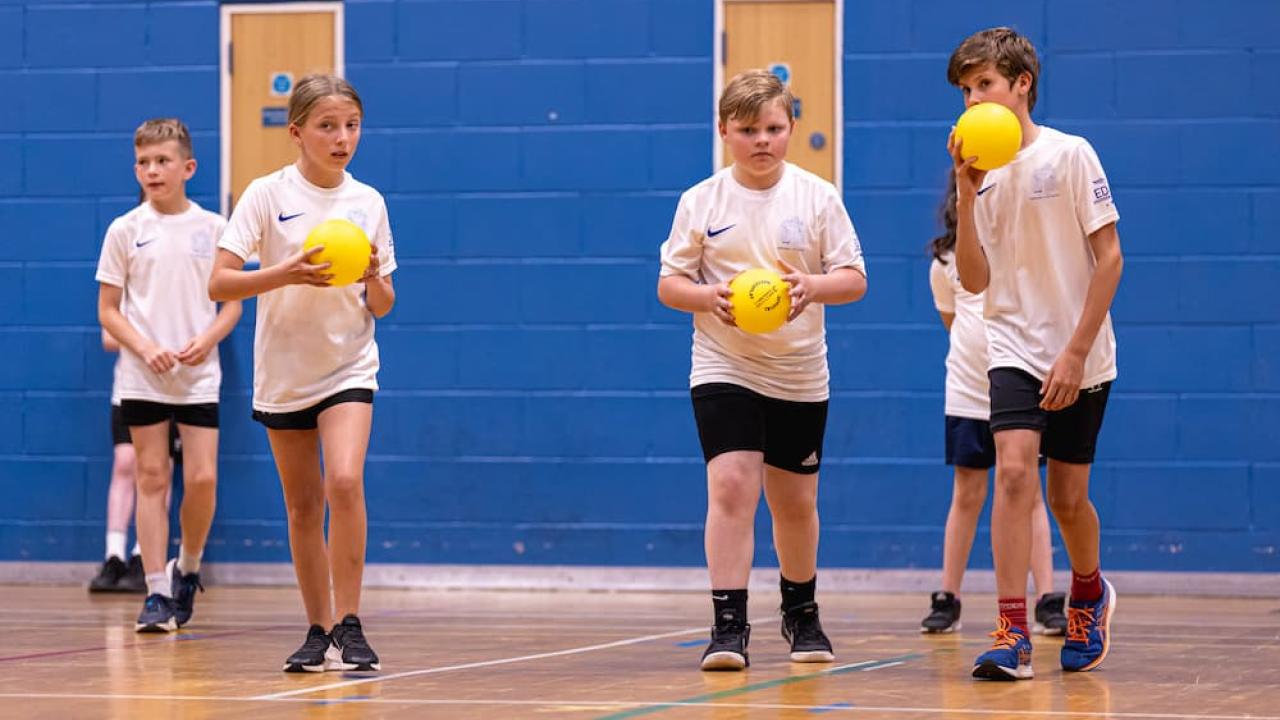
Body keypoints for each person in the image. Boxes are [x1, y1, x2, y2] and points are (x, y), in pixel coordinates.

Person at [657, 69, 867, 671]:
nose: (762, 141)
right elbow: (669, 284)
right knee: (730, 485)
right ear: (725, 131)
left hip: (798, 370)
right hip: (724, 363)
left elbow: (854, 279)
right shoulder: (701, 201)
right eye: (748, 130)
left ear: (791, 128)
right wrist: (708, 297)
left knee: (794, 502)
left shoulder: (818, 196)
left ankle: (802, 614)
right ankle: (728, 626)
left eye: (773, 128)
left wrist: (812, 286)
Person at [947, 27, 1123, 680]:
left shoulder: (1071, 154)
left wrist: (1075, 353)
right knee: (1015, 473)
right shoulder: (980, 174)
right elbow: (973, 281)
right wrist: (966, 193)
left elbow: (1111, 260)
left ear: (1021, 84)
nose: (973, 99)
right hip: (1012, 345)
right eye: (966, 90)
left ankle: (1088, 593)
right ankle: (1012, 631)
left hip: (1080, 349)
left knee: (1068, 498)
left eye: (984, 84)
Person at [209, 74, 396, 673]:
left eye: (352, 126)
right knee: (303, 507)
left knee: (344, 480)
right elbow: (220, 282)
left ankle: (351, 621)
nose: (343, 138)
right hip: (285, 372)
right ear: (296, 133)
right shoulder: (266, 195)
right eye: (328, 127)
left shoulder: (368, 202)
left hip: (349, 365)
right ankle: (318, 629)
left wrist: (373, 275)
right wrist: (283, 273)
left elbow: (383, 304)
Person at [96, 118, 241, 632]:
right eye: (143, 162)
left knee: (202, 479)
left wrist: (208, 338)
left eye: (162, 161)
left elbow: (232, 304)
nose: (152, 170)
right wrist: (144, 346)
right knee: (151, 477)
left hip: (197, 377)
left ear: (188, 167)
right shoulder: (125, 230)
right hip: (143, 377)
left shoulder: (215, 228)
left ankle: (189, 567)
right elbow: (108, 310)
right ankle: (156, 590)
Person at [921, 177, 1066, 636]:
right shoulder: (946, 262)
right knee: (967, 492)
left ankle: (1046, 597)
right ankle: (948, 596)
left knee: (1029, 492)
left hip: (1019, 391)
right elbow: (953, 322)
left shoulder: (1023, 254)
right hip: (967, 392)